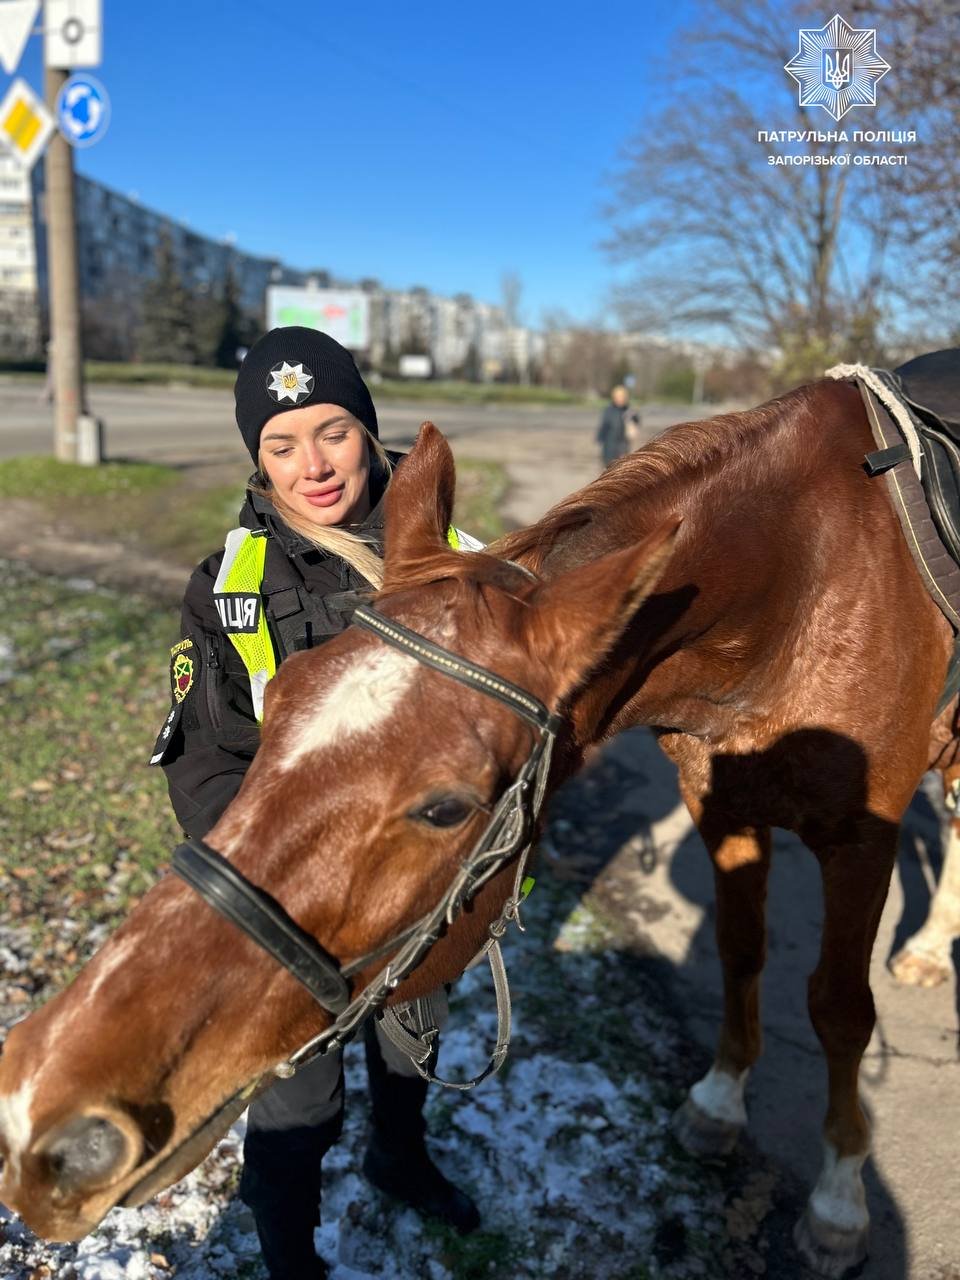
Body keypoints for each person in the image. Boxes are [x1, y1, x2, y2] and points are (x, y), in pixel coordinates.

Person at [149, 326, 481, 1280]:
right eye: (281, 445)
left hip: (420, 892)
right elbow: (206, 761)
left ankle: (400, 1155)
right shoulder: (228, 589)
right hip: (291, 908)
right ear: (257, 459)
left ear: (372, 434)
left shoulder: (460, 561)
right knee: (293, 1096)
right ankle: (290, 1251)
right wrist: (270, 900)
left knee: (412, 1040)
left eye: (333, 431)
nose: (314, 466)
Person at [595, 384, 641, 466]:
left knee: (621, 468)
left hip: (623, 446)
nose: (620, 399)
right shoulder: (609, 410)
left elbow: (636, 423)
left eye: (622, 397)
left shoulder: (629, 411)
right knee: (609, 468)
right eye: (618, 397)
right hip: (609, 446)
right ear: (614, 397)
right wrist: (599, 438)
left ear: (626, 398)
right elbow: (604, 427)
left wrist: (634, 417)